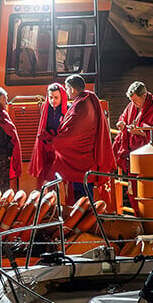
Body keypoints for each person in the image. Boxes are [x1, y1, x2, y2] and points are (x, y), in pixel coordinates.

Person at [52, 74, 115, 205]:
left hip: (81, 162)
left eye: (67, 88)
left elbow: (71, 132)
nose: (67, 91)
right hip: (87, 159)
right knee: (85, 192)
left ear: (73, 89)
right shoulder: (89, 99)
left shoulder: (80, 106)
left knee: (83, 195)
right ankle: (87, 218)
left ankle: (87, 220)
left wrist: (55, 140)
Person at [112, 81, 153, 175]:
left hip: (149, 157)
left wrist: (139, 132)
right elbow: (124, 116)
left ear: (144, 96)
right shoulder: (132, 105)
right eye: (132, 101)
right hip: (134, 155)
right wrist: (122, 123)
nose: (134, 104)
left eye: (135, 101)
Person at [29, 83, 68, 185]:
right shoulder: (45, 109)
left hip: (62, 151)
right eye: (50, 97)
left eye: (56, 97)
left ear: (62, 97)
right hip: (48, 150)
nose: (52, 100)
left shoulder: (68, 109)